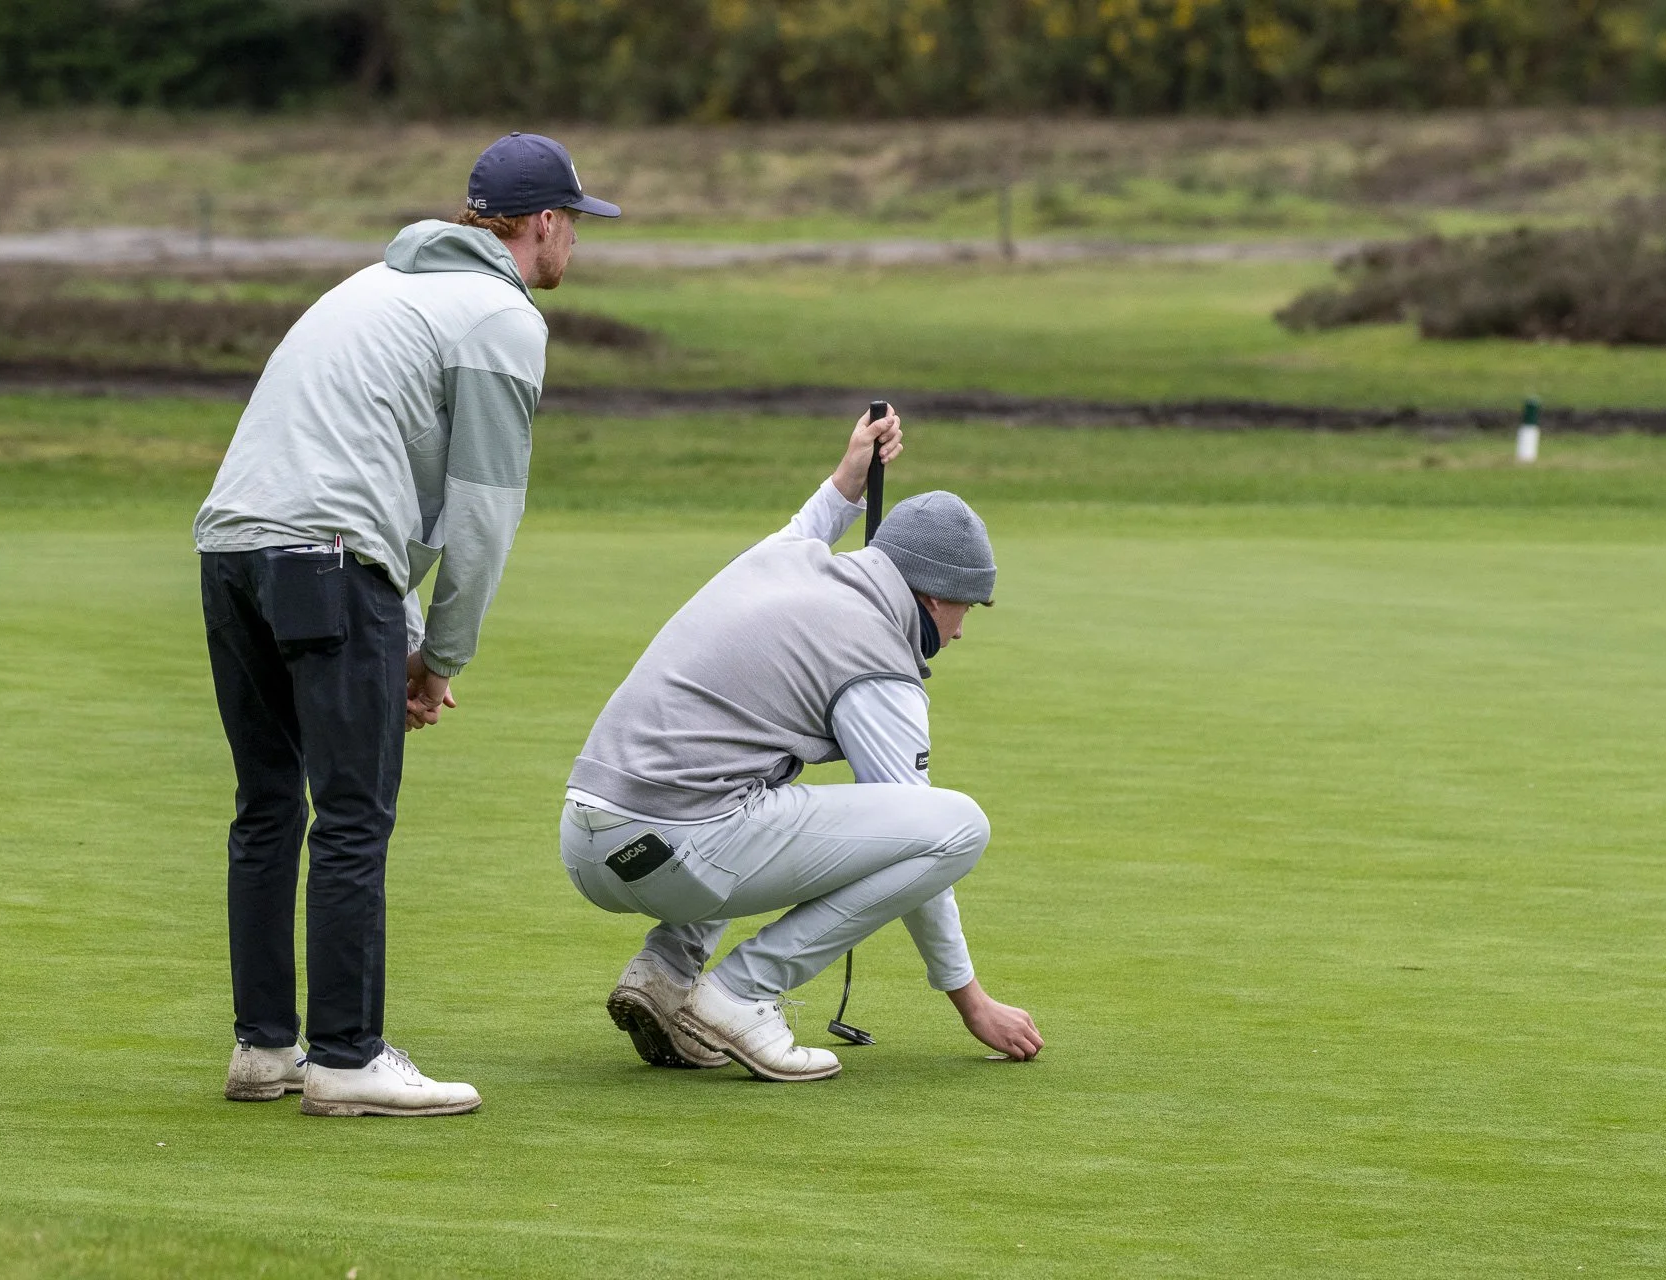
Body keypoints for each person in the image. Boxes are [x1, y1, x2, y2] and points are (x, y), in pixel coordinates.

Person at [193, 133, 619, 1117]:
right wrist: (439, 659)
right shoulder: (500, 318)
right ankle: (346, 1054)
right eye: (575, 226)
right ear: (545, 224)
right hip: (327, 560)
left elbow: (377, 484)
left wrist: (412, 638)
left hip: (231, 552)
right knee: (352, 812)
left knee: (269, 804)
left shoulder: (369, 287)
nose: (576, 245)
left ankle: (265, 1046)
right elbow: (479, 511)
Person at [561, 409, 1044, 1082]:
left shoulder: (788, 560)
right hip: (682, 847)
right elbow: (920, 831)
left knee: (758, 784)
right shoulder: (876, 656)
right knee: (960, 826)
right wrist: (970, 1000)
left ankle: (666, 974)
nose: (962, 632)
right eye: (968, 608)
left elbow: (810, 523)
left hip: (588, 840)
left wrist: (850, 474)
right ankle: (742, 996)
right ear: (935, 596)